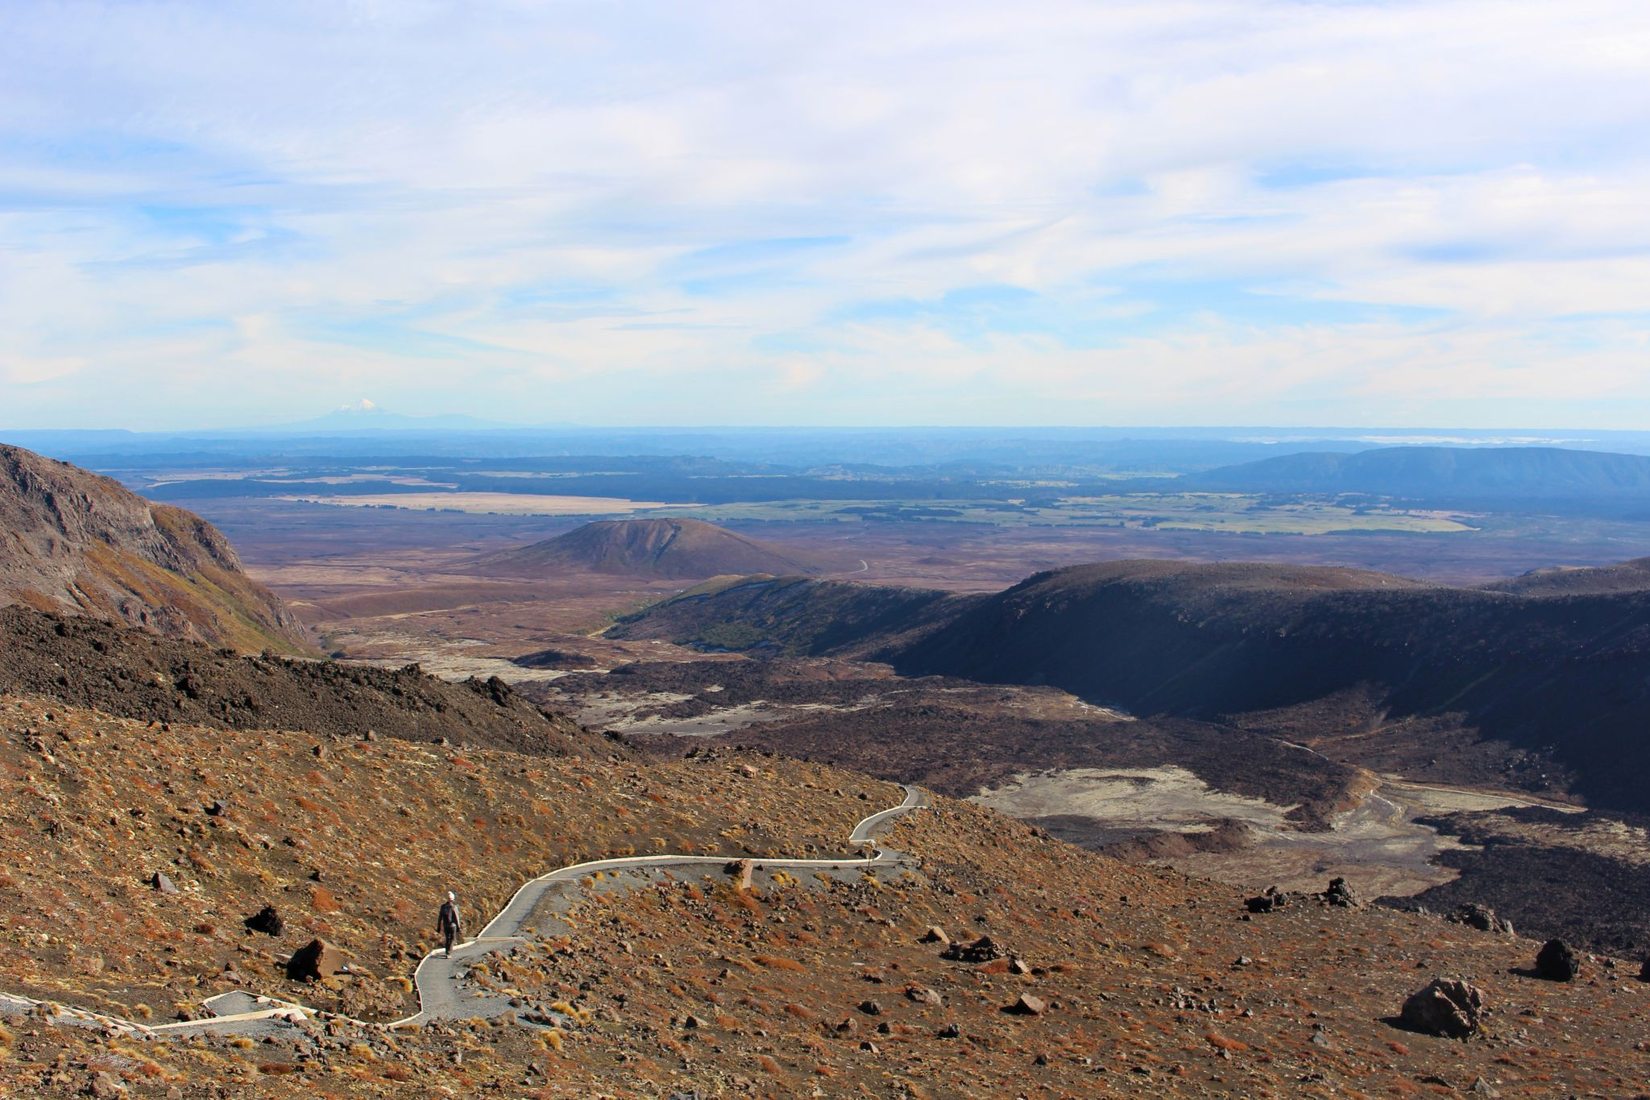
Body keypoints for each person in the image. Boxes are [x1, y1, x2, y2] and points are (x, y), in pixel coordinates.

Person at [437, 891, 462, 958]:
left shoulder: (443, 907)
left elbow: (440, 917)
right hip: (452, 925)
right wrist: (458, 927)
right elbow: (456, 918)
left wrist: (438, 926)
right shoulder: (454, 907)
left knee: (447, 938)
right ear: (452, 899)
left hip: (445, 925)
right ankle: (449, 953)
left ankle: (447, 952)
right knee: (452, 938)